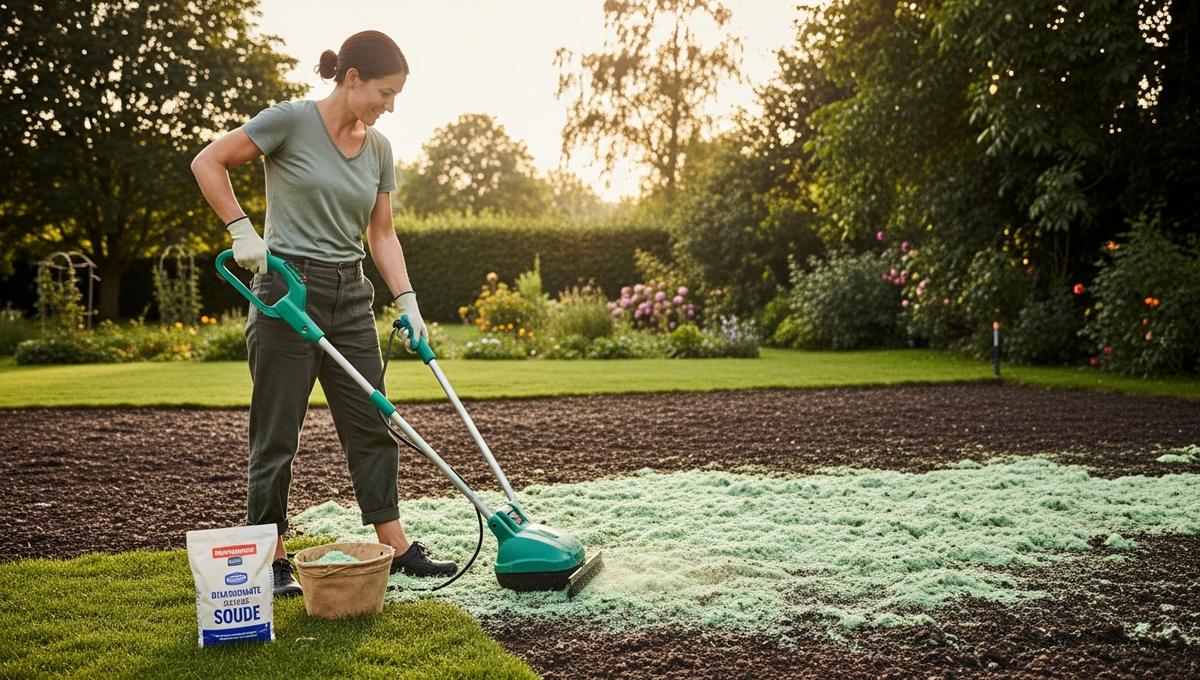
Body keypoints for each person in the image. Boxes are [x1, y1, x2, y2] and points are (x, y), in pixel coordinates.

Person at [191, 30, 455, 598]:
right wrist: (242, 229)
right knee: (277, 432)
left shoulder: (380, 149)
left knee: (372, 421)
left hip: (350, 296)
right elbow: (208, 161)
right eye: (385, 93)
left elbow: (381, 233)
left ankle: (396, 544)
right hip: (288, 290)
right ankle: (273, 556)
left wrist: (407, 302)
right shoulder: (288, 120)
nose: (391, 106)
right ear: (352, 77)